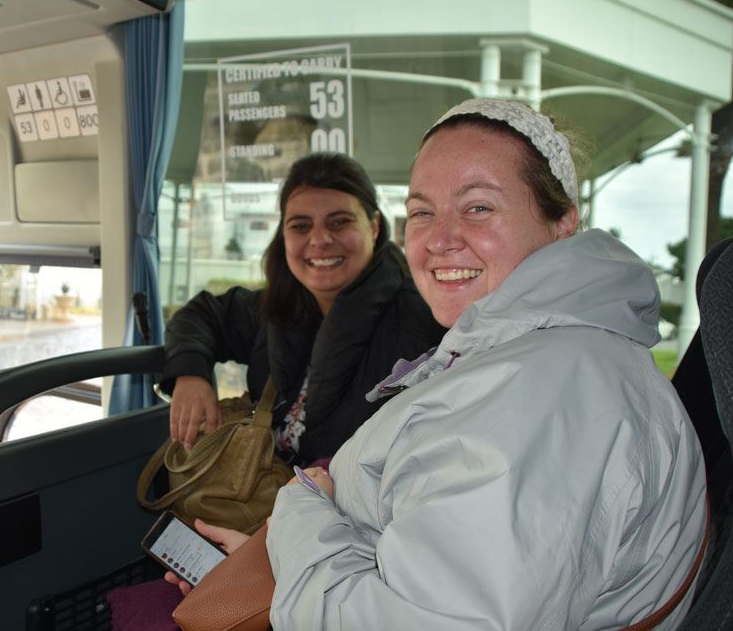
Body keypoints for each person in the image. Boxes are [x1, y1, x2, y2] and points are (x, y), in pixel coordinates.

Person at [259, 99, 708, 629]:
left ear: (563, 223)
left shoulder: (549, 394)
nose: (440, 240)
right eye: (423, 211)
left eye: (478, 208)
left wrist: (297, 515)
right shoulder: (528, 353)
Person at [161, 152, 446, 462]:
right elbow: (201, 315)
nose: (320, 239)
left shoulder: (423, 320)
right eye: (300, 226)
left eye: (339, 222)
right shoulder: (276, 308)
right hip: (269, 494)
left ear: (374, 226)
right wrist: (191, 374)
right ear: (283, 235)